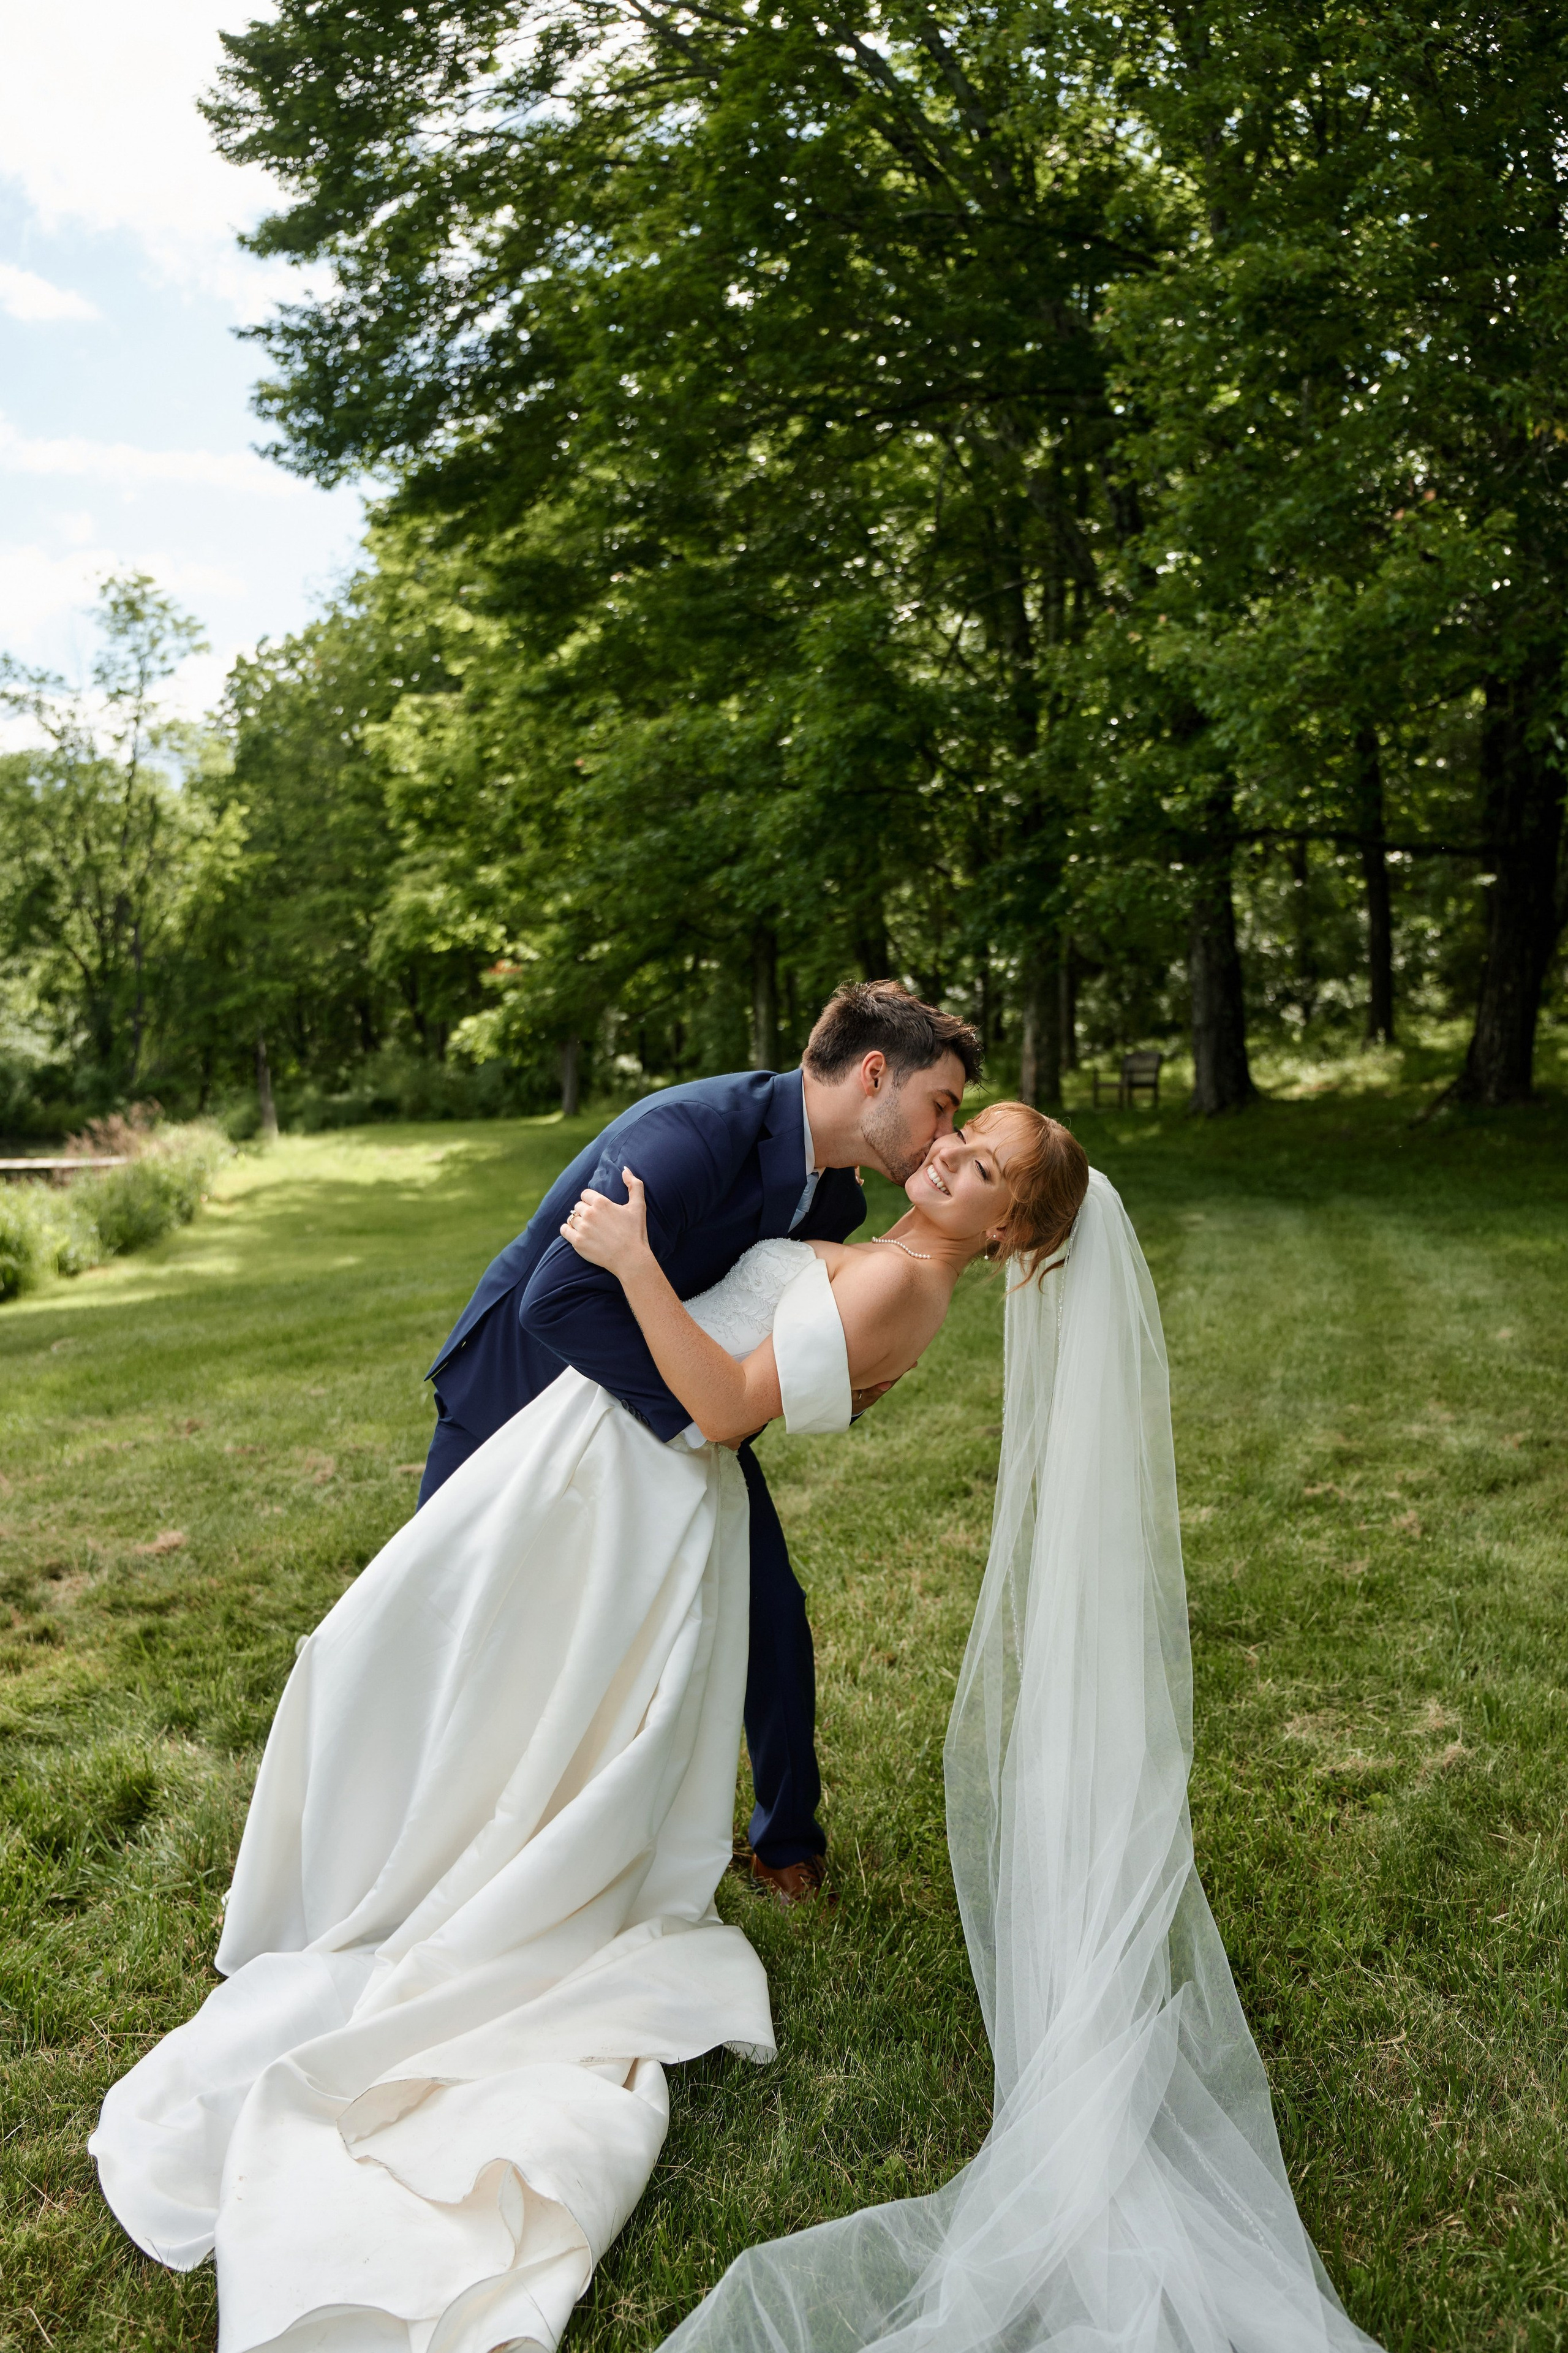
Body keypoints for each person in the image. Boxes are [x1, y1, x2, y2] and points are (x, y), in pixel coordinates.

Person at [89, 1095, 1081, 2353]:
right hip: (602, 1446)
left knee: (448, 1670)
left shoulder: (902, 1285)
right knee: (409, 1657)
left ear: (1010, 1227)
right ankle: (399, 1856)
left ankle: (423, 1877)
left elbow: (724, 1407)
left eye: (977, 1161)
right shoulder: (881, 1248)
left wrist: (628, 1265)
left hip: (641, 1473)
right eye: (955, 1131)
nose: (943, 1151)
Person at [418, 979, 980, 1905]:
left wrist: (825, 1381)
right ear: (875, 1075)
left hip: (682, 1403)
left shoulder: (836, 1201)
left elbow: (763, 1328)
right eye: (941, 1105)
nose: (944, 1133)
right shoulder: (692, 1133)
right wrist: (697, 1420)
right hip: (520, 1390)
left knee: (769, 1604)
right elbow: (554, 1299)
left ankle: (786, 1842)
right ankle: (436, 1826)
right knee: (451, 1615)